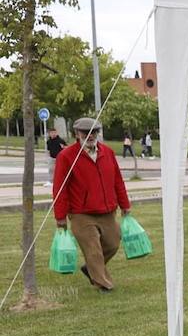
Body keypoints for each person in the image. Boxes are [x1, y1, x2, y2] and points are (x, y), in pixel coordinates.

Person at [52, 117, 131, 292]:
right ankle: (104, 283)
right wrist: (60, 216)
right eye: (85, 132)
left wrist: (125, 204)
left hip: (107, 211)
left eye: (94, 132)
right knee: (93, 250)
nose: (90, 135)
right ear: (76, 134)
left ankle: (90, 269)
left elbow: (117, 180)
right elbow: (60, 188)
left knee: (112, 244)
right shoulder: (66, 156)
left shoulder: (108, 153)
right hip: (81, 213)